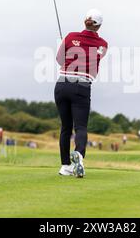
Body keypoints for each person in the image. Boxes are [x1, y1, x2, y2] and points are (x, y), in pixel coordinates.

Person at [55, 9, 108, 178]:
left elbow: (59, 60)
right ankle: (79, 154)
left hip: (62, 84)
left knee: (65, 127)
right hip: (82, 86)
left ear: (85, 21)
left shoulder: (70, 36)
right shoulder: (103, 44)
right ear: (98, 26)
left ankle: (65, 166)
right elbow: (96, 58)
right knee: (80, 127)